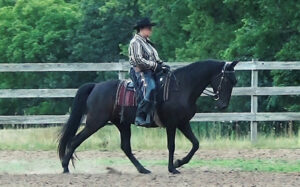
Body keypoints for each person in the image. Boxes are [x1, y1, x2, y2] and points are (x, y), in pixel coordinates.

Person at [128, 17, 169, 126]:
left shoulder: (148, 43)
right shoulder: (135, 42)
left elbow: (155, 58)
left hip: (151, 71)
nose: (151, 30)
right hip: (141, 71)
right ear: (142, 29)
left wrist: (162, 65)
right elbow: (138, 60)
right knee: (150, 88)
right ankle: (140, 115)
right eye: (149, 28)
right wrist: (155, 66)